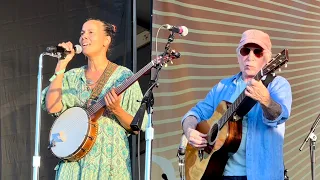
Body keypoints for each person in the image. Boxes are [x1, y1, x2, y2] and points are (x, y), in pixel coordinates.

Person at [41, 19, 146, 180]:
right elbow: (52, 107)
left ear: (106, 40)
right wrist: (61, 64)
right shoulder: (72, 76)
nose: (84, 37)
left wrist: (116, 109)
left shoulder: (124, 76)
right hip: (74, 164)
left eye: (91, 33)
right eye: (82, 33)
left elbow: (137, 127)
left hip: (109, 161)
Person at [182, 29, 292, 180]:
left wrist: (266, 101)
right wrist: (189, 131)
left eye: (257, 52)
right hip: (222, 174)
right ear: (238, 55)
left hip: (262, 174)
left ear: (268, 58)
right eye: (245, 51)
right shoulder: (223, 87)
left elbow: (280, 116)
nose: (250, 57)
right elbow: (194, 114)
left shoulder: (277, 85)